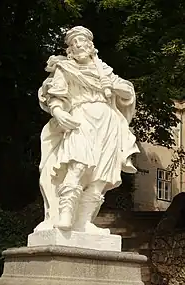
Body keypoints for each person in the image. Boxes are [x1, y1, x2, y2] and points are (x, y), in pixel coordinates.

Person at [36, 26, 139, 234]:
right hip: (80, 118)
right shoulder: (65, 69)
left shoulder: (104, 70)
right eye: (74, 44)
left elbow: (127, 92)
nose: (78, 46)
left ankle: (84, 222)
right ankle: (64, 214)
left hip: (108, 124)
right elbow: (55, 95)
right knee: (78, 162)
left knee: (101, 174)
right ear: (70, 50)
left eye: (82, 42)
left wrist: (114, 86)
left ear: (91, 46)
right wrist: (58, 112)